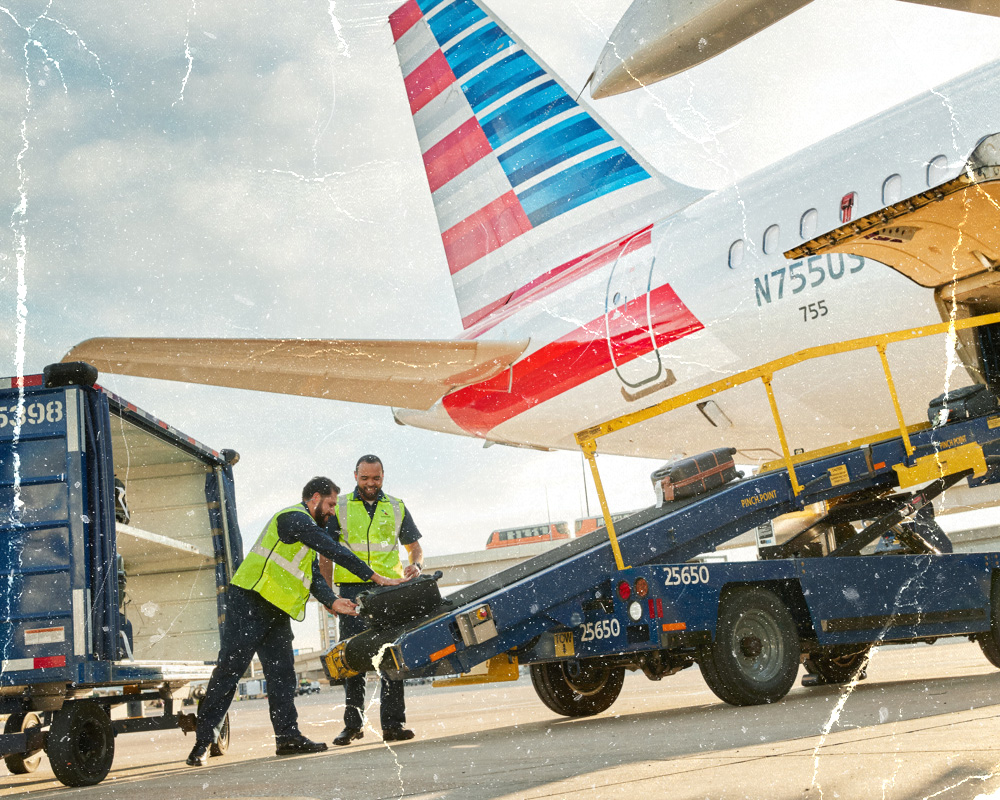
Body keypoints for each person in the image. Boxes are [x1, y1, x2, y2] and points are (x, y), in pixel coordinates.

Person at [186, 476, 402, 766]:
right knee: (230, 672)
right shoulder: (292, 519)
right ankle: (202, 743)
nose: (331, 512)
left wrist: (333, 601)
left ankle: (287, 738)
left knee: (283, 677)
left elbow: (312, 576)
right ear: (314, 498)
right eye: (328, 504)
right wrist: (375, 576)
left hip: (276, 612)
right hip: (250, 603)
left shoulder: (307, 536)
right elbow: (333, 549)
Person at [331, 454, 423, 746]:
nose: (371, 484)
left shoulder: (396, 506)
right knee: (352, 657)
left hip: (388, 590)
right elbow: (325, 553)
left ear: (383, 476)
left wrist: (416, 565)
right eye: (365, 478)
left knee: (392, 657)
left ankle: (394, 725)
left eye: (376, 478)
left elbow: (414, 548)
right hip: (351, 589)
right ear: (355, 476)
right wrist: (329, 594)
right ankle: (353, 725)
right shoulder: (340, 507)